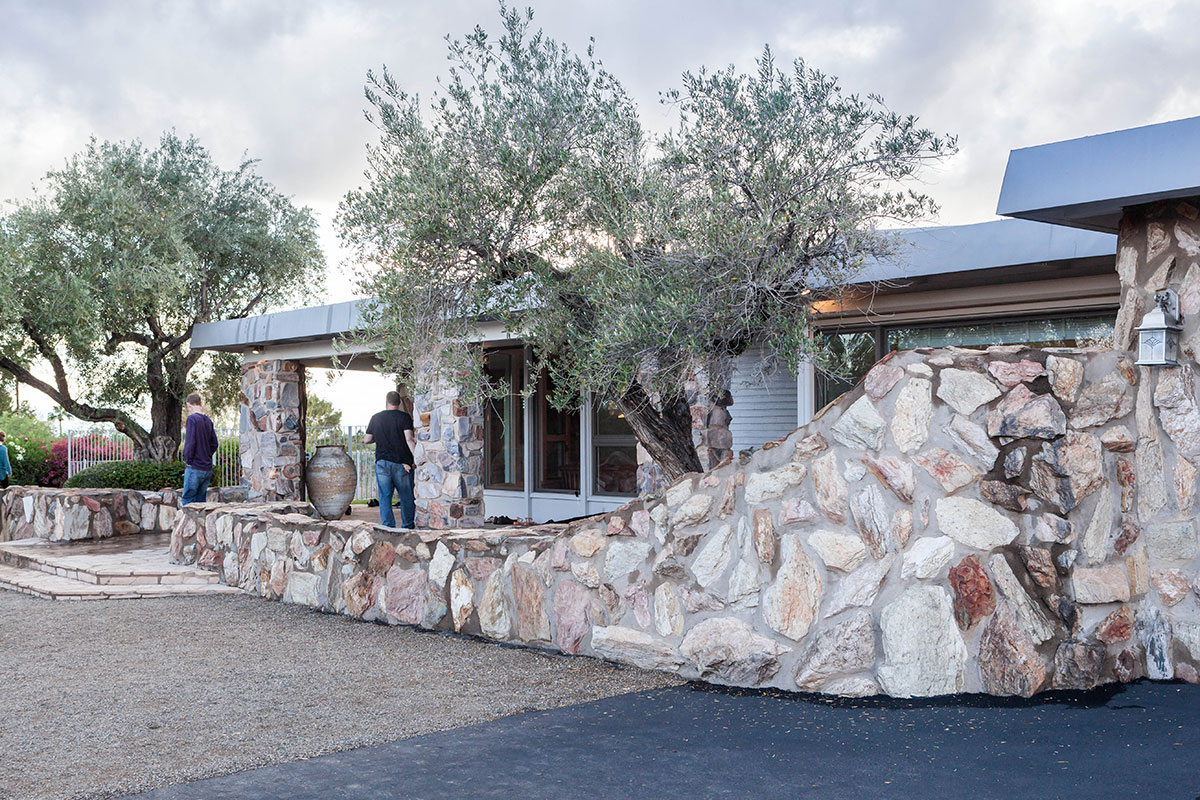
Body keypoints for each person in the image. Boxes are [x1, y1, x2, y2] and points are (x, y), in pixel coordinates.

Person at [363, 390, 417, 528]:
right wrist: (417, 458)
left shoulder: (376, 418)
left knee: (385, 496)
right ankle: (408, 527)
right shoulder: (404, 417)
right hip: (402, 463)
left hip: (382, 463)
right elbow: (409, 439)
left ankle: (387, 527)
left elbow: (367, 439)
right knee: (406, 497)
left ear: (386, 402)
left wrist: (378, 437)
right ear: (399, 403)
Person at [182, 393, 219, 504]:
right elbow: (214, 443)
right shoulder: (208, 421)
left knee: (188, 501)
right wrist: (207, 455)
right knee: (200, 502)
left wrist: (188, 460)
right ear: (200, 403)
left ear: (189, 405)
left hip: (194, 467)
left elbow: (190, 442)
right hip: (206, 468)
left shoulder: (192, 419)